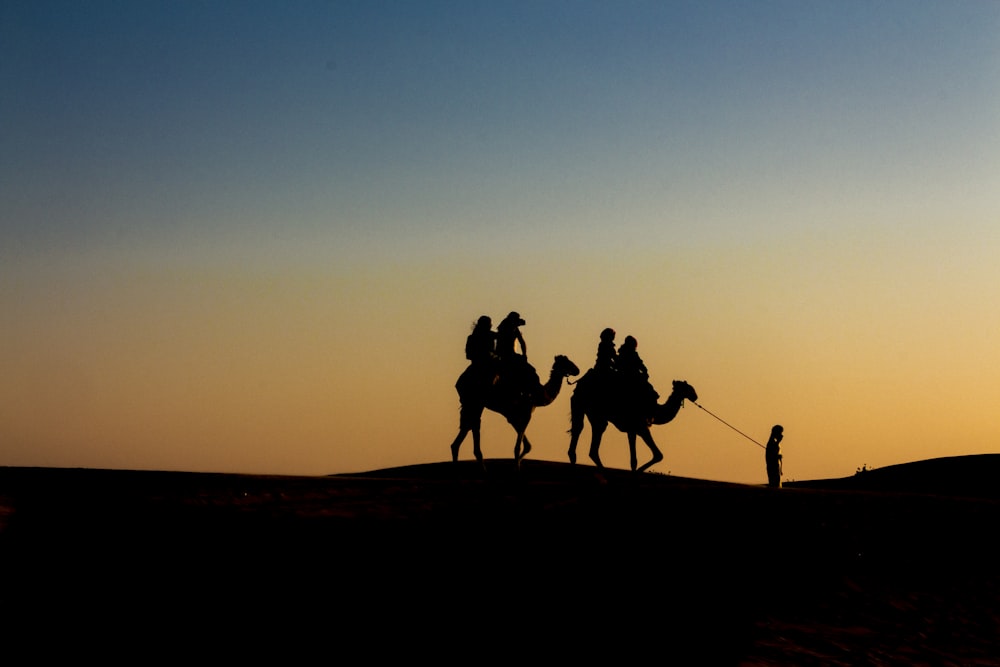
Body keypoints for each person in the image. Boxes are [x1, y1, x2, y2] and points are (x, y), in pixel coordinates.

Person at [617, 335, 658, 408]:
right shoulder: (626, 353)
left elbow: (640, 363)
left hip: (633, 374)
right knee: (646, 388)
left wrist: (644, 370)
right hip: (629, 376)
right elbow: (638, 364)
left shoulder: (627, 353)